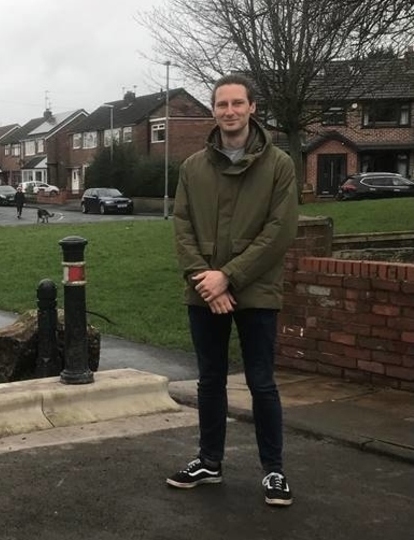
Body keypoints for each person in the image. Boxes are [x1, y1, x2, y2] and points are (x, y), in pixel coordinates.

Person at [167, 73, 299, 507]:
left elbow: (278, 232)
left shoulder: (279, 165)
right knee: (210, 381)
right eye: (221, 104)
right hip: (204, 291)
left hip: (256, 291)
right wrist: (206, 280)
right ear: (214, 110)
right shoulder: (192, 167)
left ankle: (274, 471)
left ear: (252, 108)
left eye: (237, 104)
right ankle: (209, 461)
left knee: (261, 382)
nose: (229, 112)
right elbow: (182, 227)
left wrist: (230, 276)